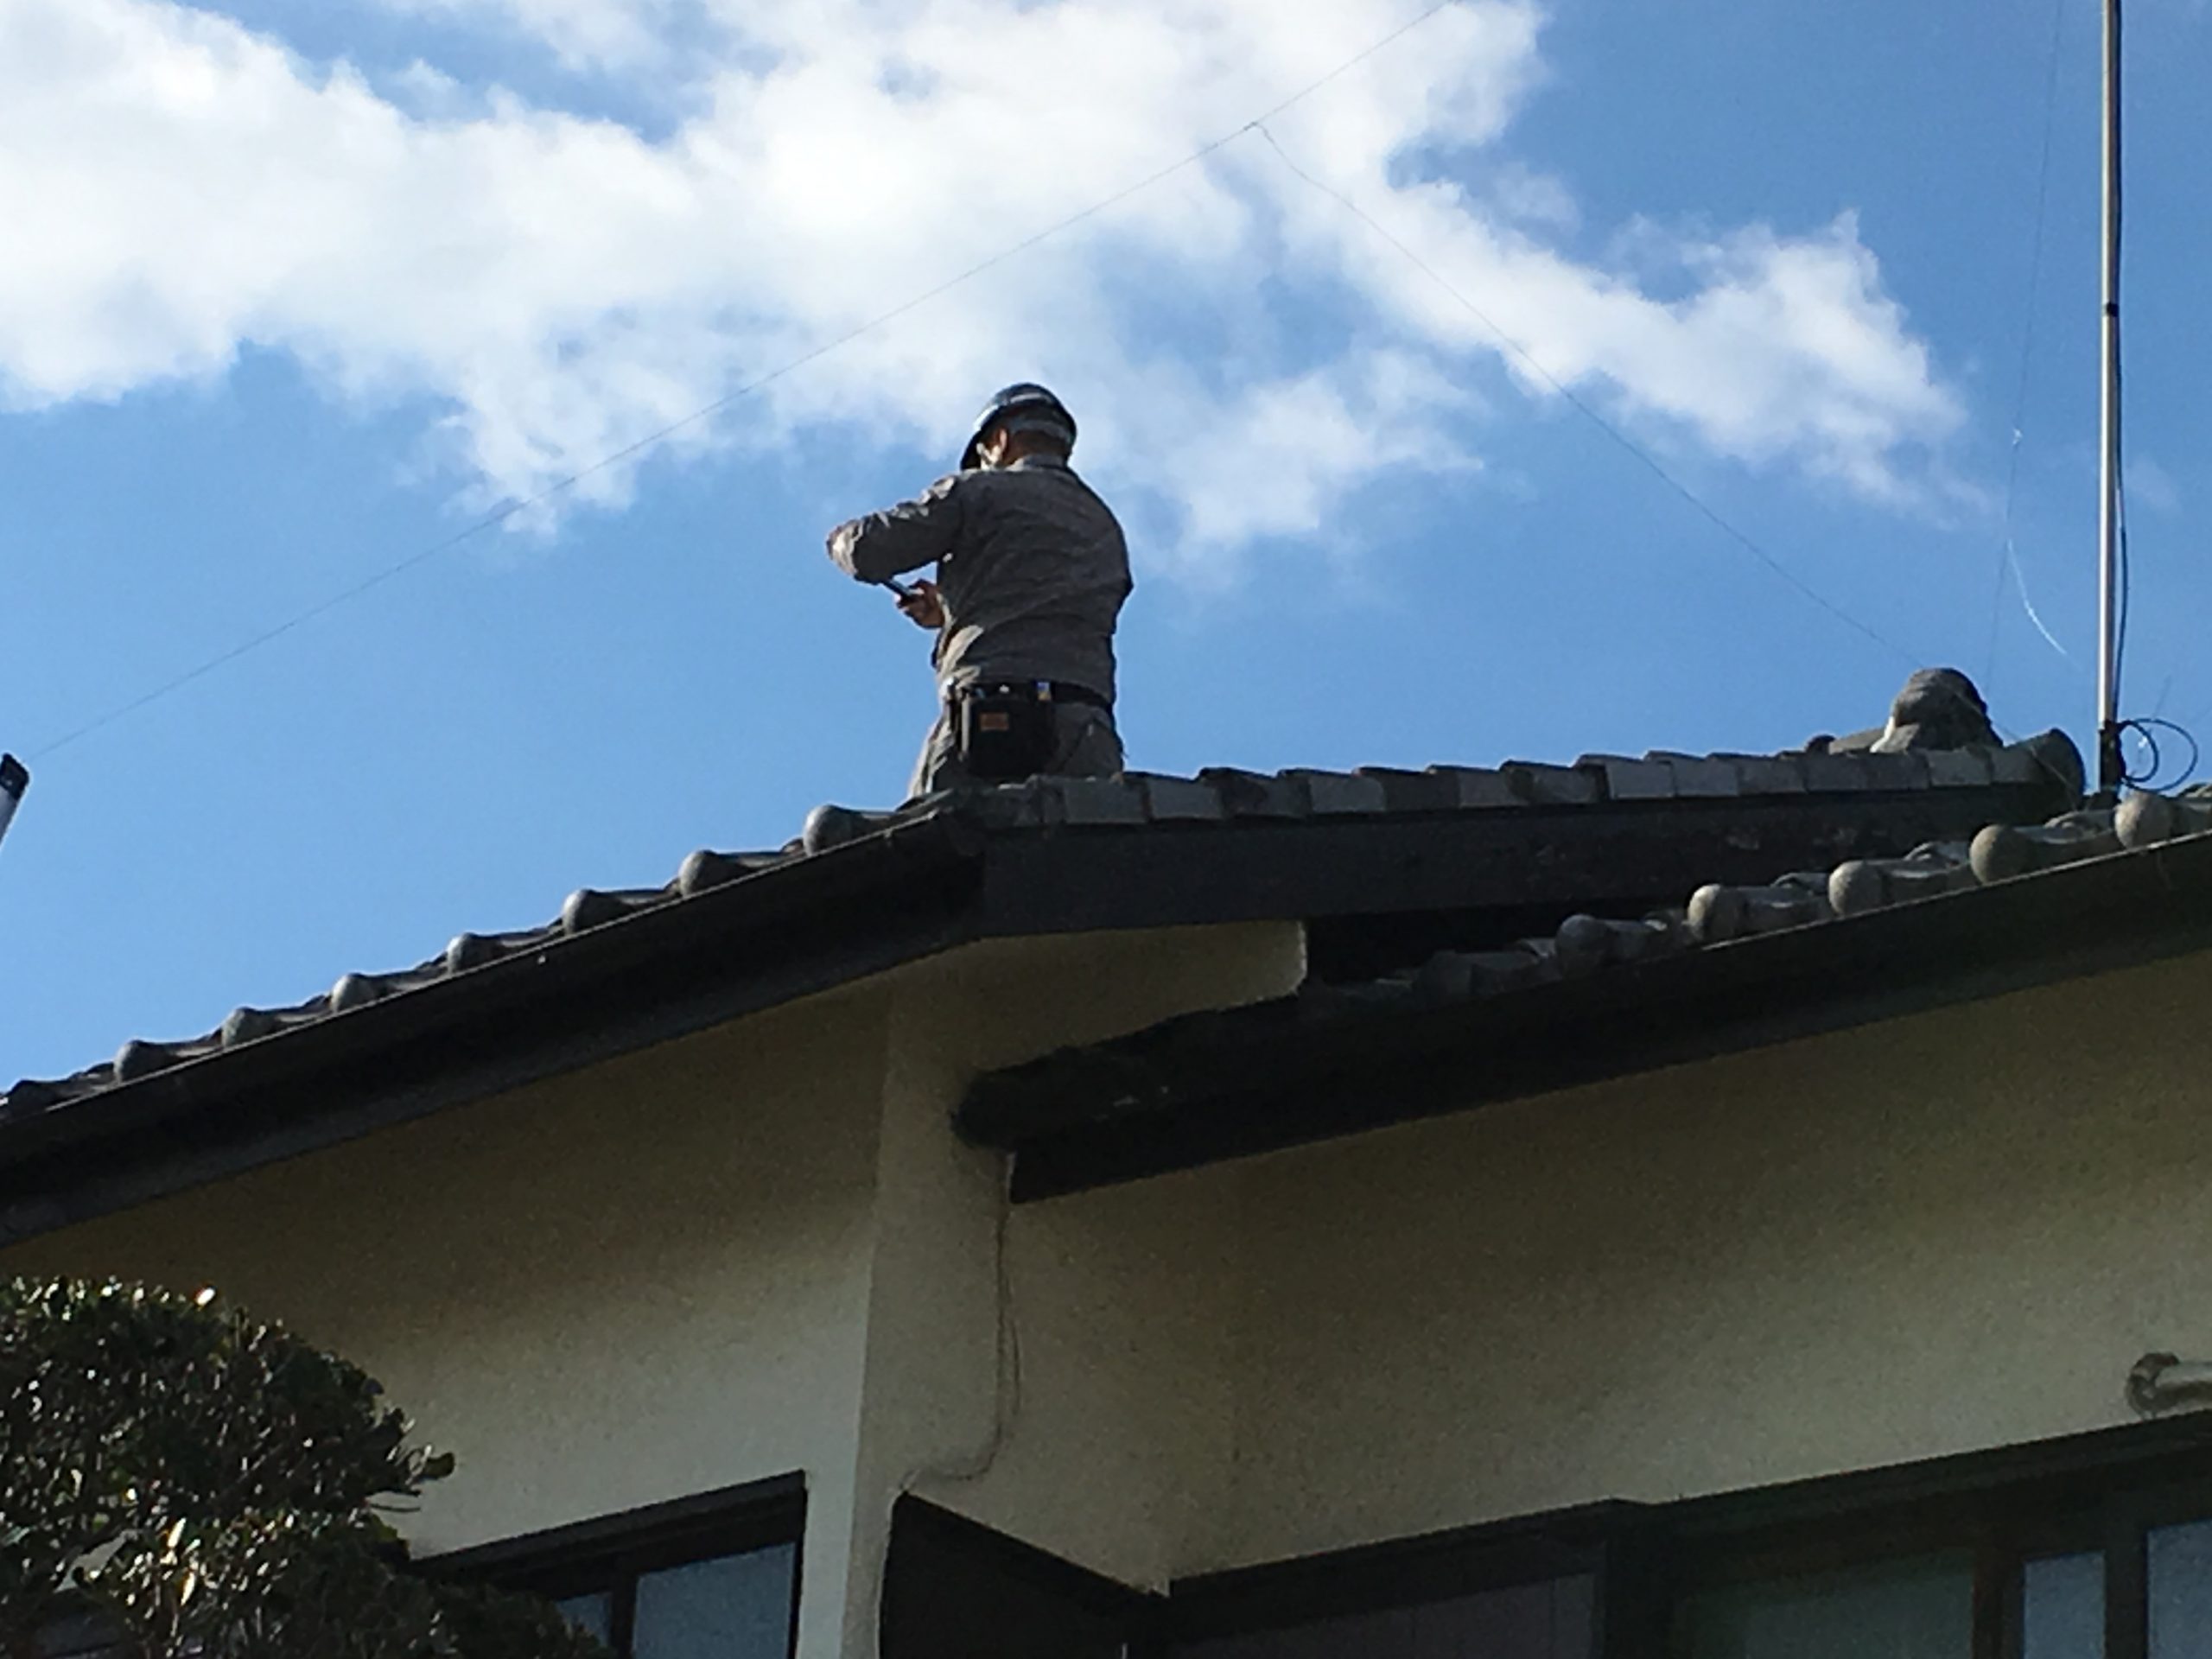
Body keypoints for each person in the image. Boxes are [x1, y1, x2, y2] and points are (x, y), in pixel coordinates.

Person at [826, 384, 1133, 798]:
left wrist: (840, 541)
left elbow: (870, 551)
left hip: (987, 716)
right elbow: (1042, 592)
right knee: (1081, 854)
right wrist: (950, 608)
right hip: (1085, 729)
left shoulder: (979, 491)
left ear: (999, 440)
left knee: (932, 854)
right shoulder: (1102, 522)